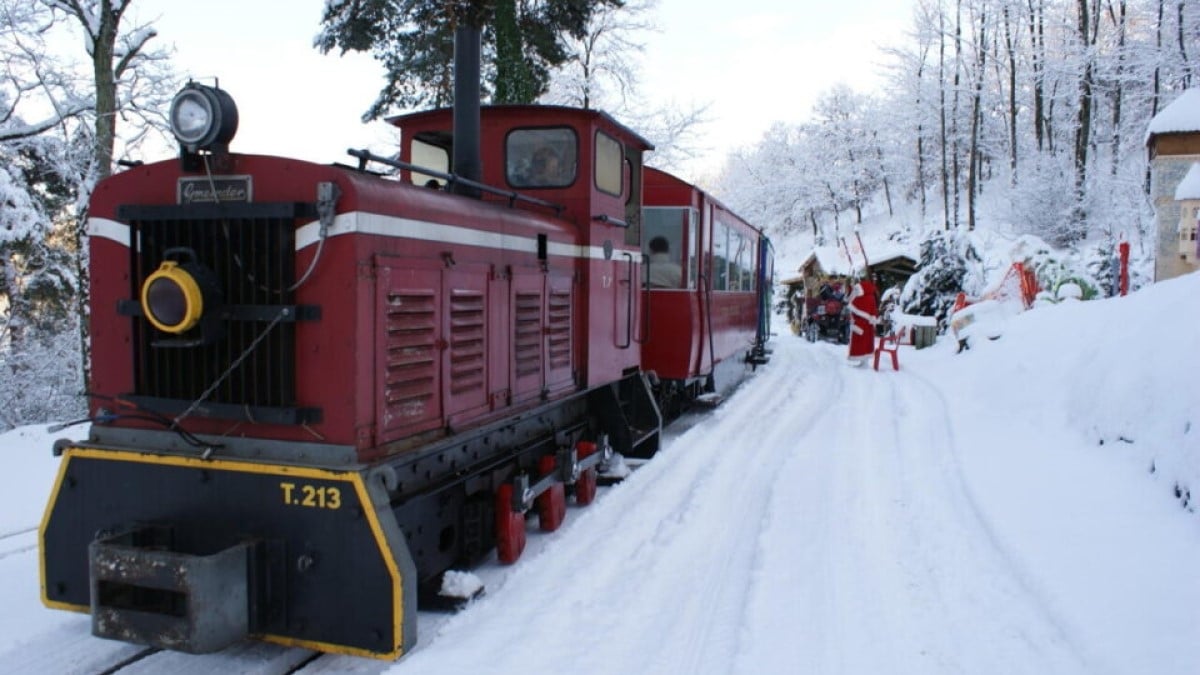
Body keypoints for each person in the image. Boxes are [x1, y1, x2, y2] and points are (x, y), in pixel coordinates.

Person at [846, 275, 878, 365]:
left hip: (860, 322)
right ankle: (864, 362)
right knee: (867, 343)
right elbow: (873, 310)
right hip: (869, 324)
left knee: (860, 343)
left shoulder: (861, 297)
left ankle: (863, 363)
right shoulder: (871, 296)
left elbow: (852, 305)